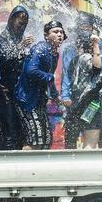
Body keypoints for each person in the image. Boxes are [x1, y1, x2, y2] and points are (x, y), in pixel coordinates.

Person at [15, 20, 66, 150]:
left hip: (38, 100)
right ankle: (26, 169)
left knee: (47, 139)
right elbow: (31, 70)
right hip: (25, 100)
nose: (59, 34)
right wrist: (49, 77)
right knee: (35, 138)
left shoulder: (55, 54)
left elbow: (49, 78)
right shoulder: (41, 48)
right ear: (46, 35)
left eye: (61, 32)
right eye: (55, 32)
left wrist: (54, 95)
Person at [61, 13, 102, 149]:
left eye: (87, 26)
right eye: (81, 26)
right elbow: (66, 74)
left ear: (92, 27)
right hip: (75, 99)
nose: (84, 30)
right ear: (76, 28)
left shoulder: (101, 44)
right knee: (71, 137)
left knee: (97, 133)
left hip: (94, 98)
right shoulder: (70, 48)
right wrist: (65, 95)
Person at [0, 5, 33, 150]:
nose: (22, 25)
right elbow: (3, 59)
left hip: (20, 90)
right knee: (9, 125)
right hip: (5, 91)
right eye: (19, 21)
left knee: (22, 125)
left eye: (24, 23)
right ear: (12, 20)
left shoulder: (22, 38)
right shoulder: (2, 38)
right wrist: (21, 46)